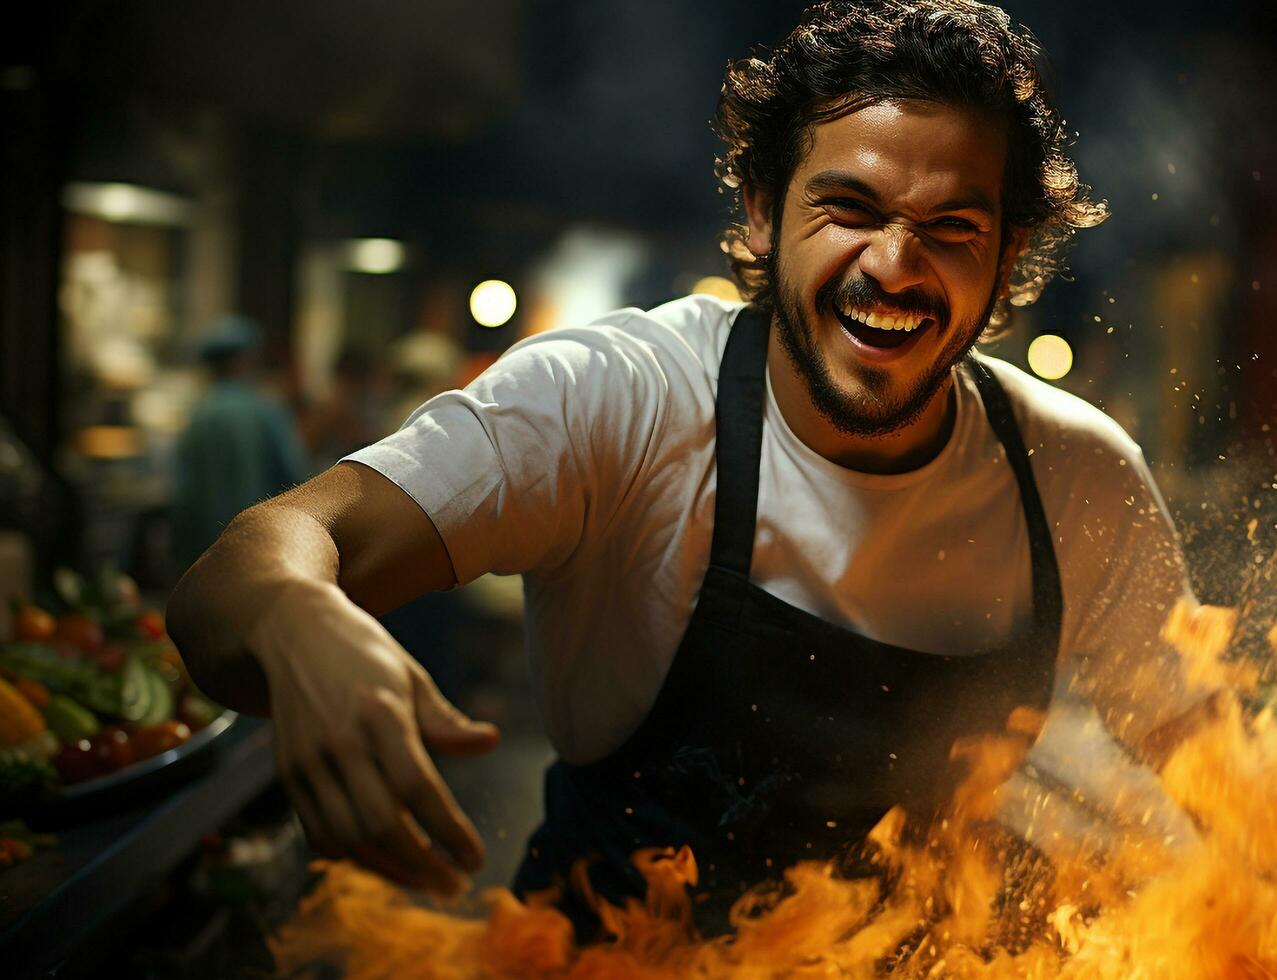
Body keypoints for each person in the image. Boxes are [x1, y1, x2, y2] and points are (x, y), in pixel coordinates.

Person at [168, 0, 1205, 931]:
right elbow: (236, 576)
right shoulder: (617, 399)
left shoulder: (1075, 475)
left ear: (1006, 255)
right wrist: (296, 617)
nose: (894, 264)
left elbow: (1216, 764)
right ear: (762, 208)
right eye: (850, 208)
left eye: (950, 228)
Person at [170, 314, 309, 571]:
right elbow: (296, 480)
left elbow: (184, 496)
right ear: (245, 360)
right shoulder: (266, 411)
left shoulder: (199, 415)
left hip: (204, 556)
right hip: (260, 549)